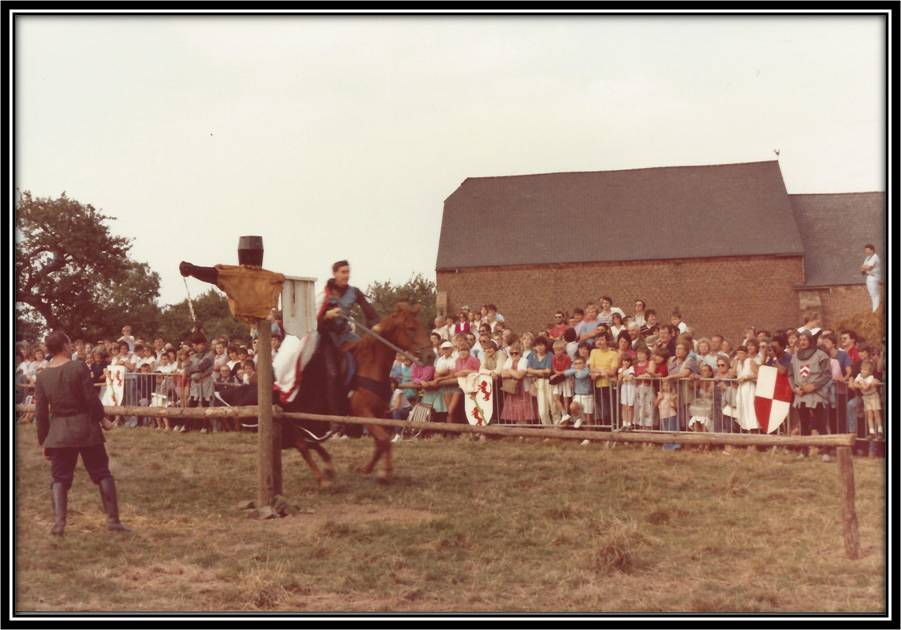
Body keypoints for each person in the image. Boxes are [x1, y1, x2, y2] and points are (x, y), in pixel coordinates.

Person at [34, 330, 130, 536]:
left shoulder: (42, 376)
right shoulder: (78, 366)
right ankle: (113, 521)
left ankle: (59, 524)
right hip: (86, 428)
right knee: (101, 472)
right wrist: (103, 419)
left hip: (59, 433)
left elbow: (41, 414)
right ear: (65, 346)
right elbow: (91, 399)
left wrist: (45, 442)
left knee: (60, 478)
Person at [316, 260, 381, 418]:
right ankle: (335, 419)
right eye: (343, 272)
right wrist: (327, 315)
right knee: (332, 374)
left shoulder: (354, 292)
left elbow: (368, 310)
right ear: (335, 273)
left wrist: (376, 325)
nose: (346, 275)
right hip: (327, 337)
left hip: (347, 334)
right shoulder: (325, 293)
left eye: (348, 271)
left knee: (369, 358)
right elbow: (314, 319)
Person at [789, 331, 833, 461]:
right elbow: (791, 375)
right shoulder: (795, 356)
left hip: (815, 394)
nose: (802, 342)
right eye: (800, 339)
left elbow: (826, 374)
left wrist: (813, 386)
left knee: (820, 422)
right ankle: (804, 450)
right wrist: (795, 389)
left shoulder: (821, 355)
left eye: (805, 339)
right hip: (801, 394)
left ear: (810, 341)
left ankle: (825, 451)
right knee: (804, 423)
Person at [860, 243, 881, 312]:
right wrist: (864, 268)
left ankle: (875, 310)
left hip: (873, 277)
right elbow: (861, 269)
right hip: (869, 277)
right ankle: (874, 310)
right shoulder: (867, 258)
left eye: (868, 250)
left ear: (872, 250)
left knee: (875, 295)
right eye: (865, 251)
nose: (866, 252)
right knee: (872, 295)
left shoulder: (875, 257)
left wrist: (864, 267)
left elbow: (869, 267)